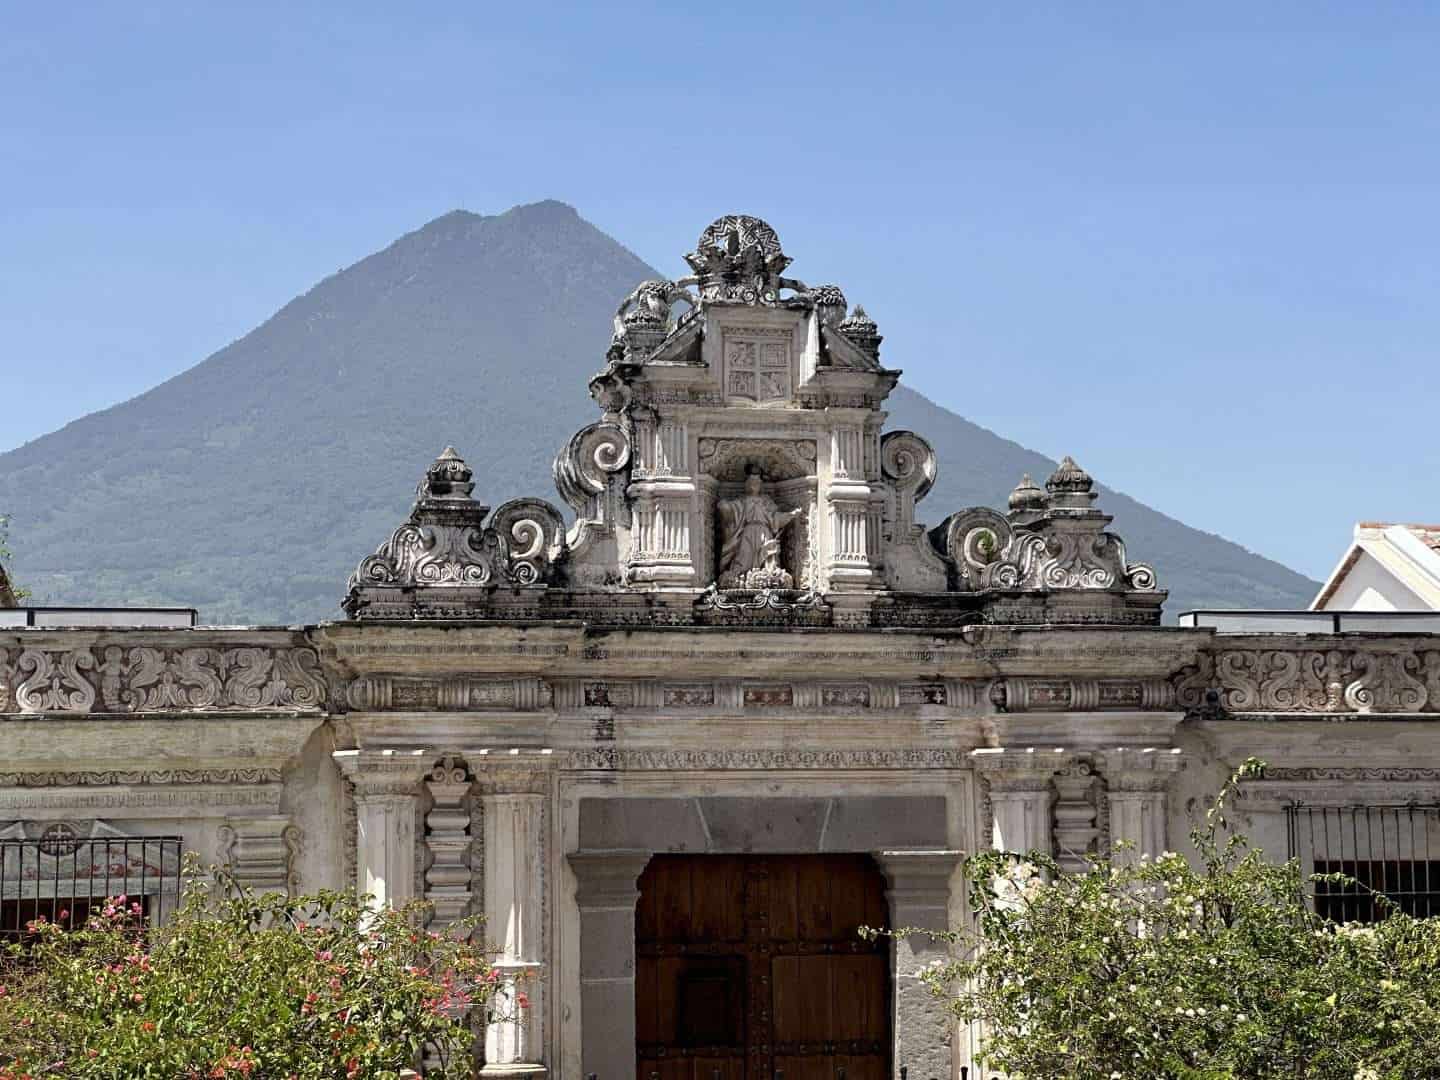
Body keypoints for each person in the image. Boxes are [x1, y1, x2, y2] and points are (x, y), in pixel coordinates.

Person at [717, 470, 803, 586]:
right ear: (746, 485)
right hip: (747, 532)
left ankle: (769, 576)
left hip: (764, 531)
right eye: (751, 482)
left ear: (760, 485)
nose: (754, 485)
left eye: (757, 482)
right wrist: (724, 506)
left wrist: (790, 515)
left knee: (769, 554)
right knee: (744, 555)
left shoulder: (766, 501)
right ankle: (740, 576)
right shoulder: (742, 501)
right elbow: (732, 512)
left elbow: (775, 517)